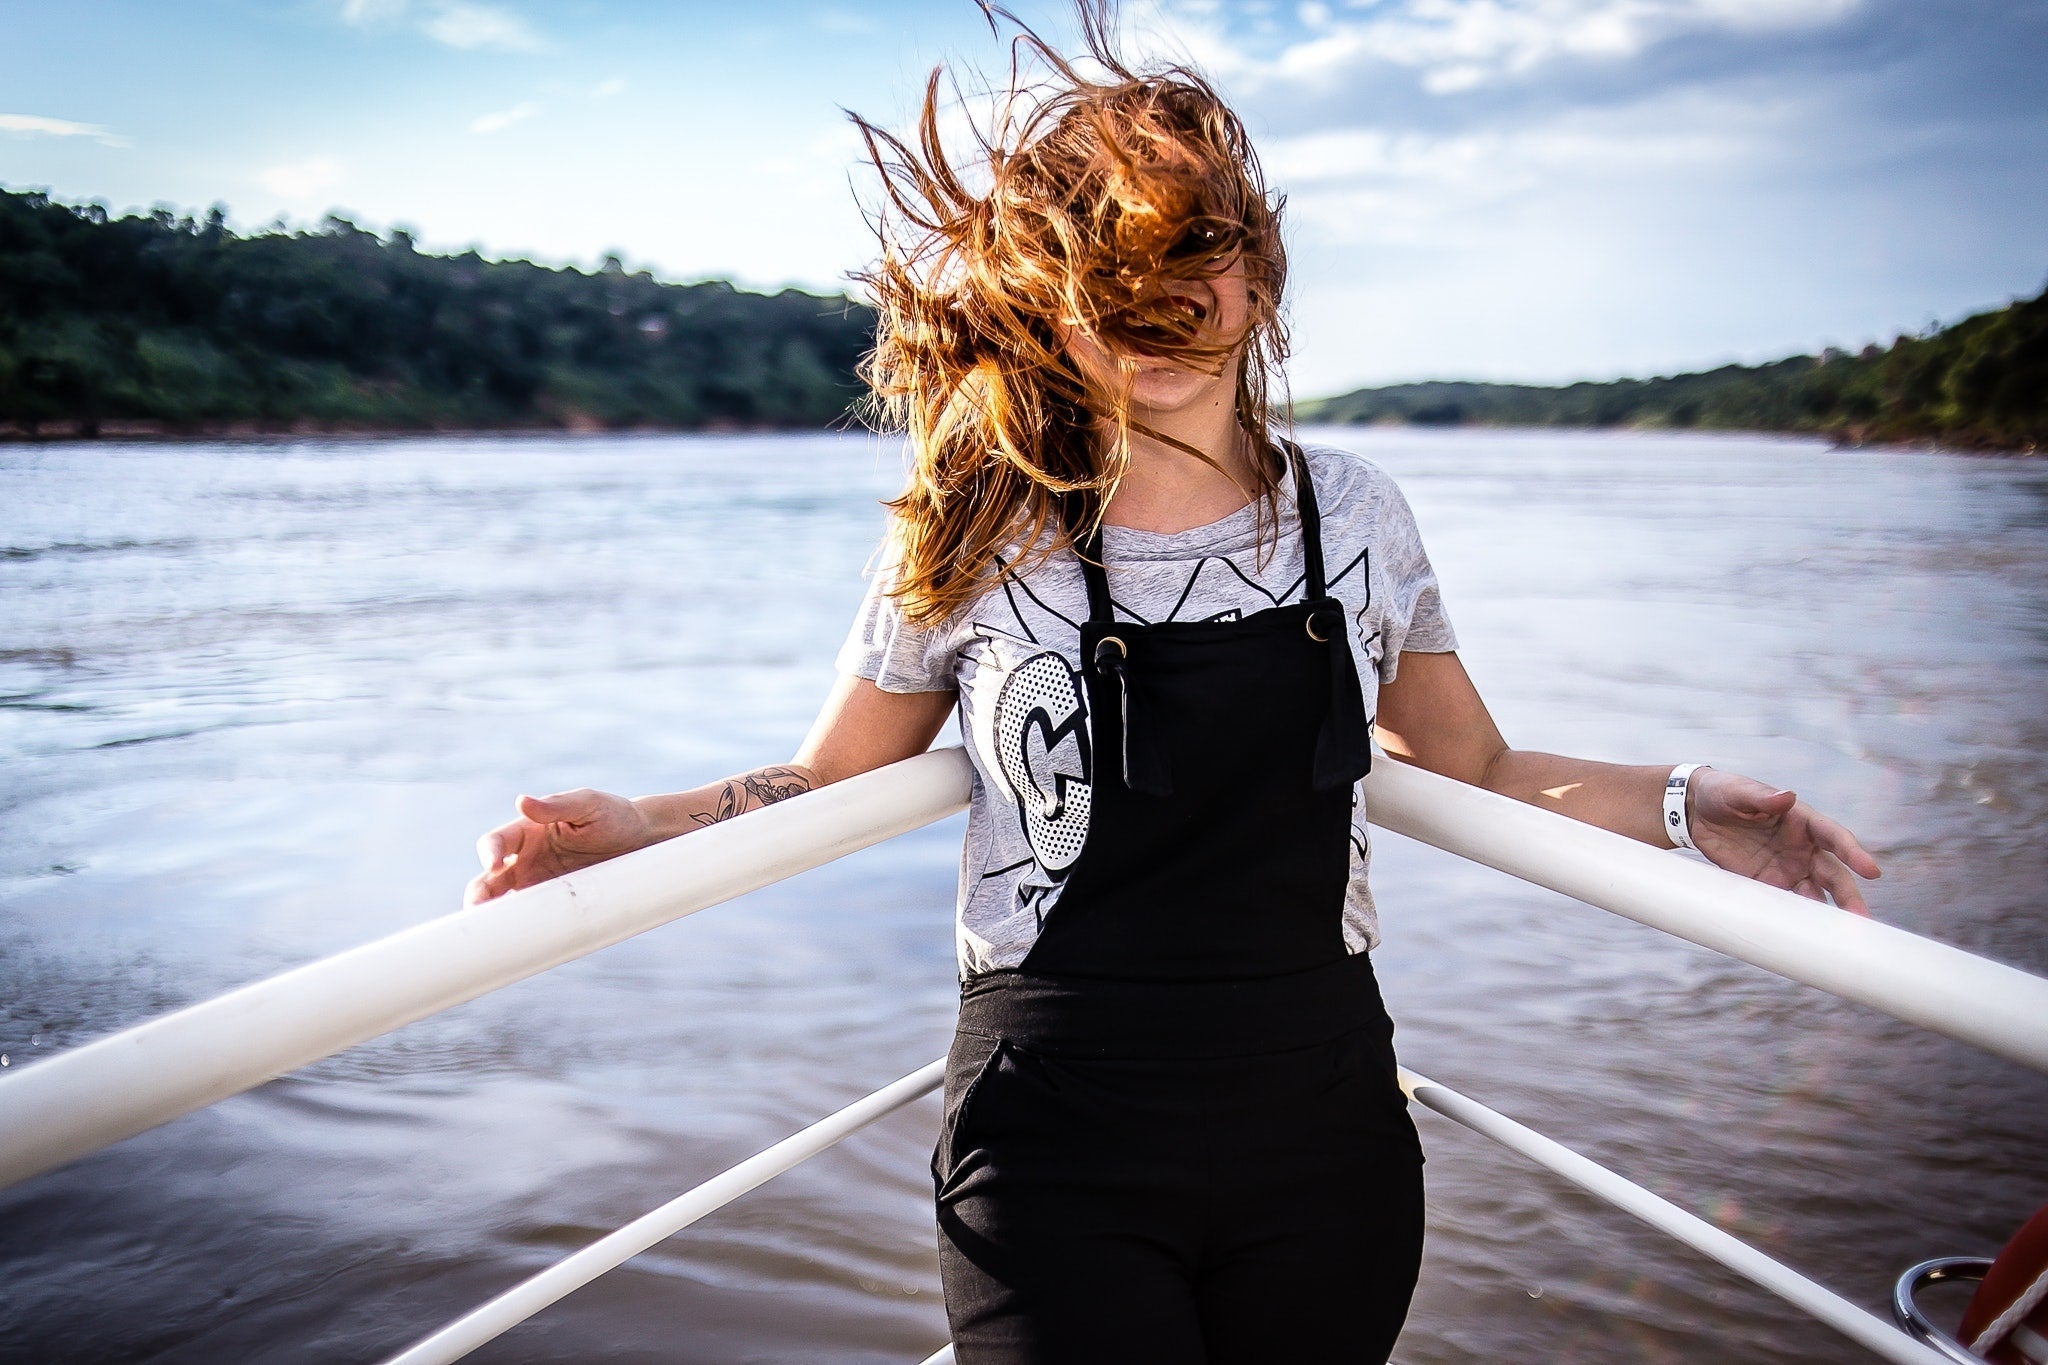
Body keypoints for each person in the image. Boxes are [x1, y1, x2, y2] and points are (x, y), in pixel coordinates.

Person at [464, 11, 1881, 1361]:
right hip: (1055, 1129)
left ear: (1255, 273)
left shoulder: (1357, 514)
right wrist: (638, 825)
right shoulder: (977, 523)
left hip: (1321, 1124)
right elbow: (828, 778)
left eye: (1186, 252)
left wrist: (1695, 806)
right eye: (1105, 272)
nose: (1153, 305)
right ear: (1053, 303)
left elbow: (1482, 770)